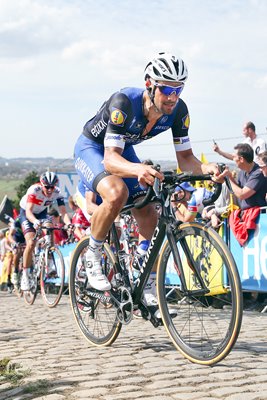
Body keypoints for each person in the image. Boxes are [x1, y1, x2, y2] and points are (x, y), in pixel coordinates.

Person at [74, 52, 225, 313]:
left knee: (148, 208)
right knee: (117, 192)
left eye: (178, 89)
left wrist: (208, 167)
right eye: (166, 88)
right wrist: (137, 169)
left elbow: (187, 159)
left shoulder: (178, 111)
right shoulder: (124, 103)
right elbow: (110, 161)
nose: (172, 97)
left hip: (124, 150)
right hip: (94, 149)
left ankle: (144, 284)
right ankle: (92, 255)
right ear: (149, 84)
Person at [19, 172, 72, 291]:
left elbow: (63, 213)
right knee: (31, 243)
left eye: (52, 187)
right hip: (27, 214)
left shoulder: (57, 193)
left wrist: (69, 224)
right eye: (47, 187)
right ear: (42, 184)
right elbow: (28, 211)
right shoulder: (34, 190)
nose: (49, 190)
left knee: (50, 228)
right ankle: (25, 275)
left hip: (42, 213)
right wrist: (35, 222)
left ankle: (50, 263)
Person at [225, 143, 267, 209]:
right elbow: (237, 190)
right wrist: (230, 176)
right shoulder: (242, 172)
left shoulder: (258, 173)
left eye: (234, 157)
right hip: (246, 214)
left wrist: (227, 179)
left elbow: (242, 194)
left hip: (257, 215)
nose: (233, 159)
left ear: (241, 159)